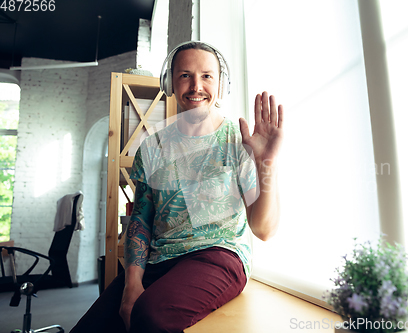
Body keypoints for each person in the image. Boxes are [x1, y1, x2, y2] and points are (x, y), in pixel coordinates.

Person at [70, 41, 284, 333]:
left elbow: (264, 230)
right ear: (169, 81)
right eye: (185, 75)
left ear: (221, 85)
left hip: (218, 255)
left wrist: (266, 163)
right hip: (161, 259)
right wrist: (132, 284)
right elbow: (141, 219)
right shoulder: (152, 146)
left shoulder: (239, 141)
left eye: (207, 76)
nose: (196, 86)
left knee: (150, 317)